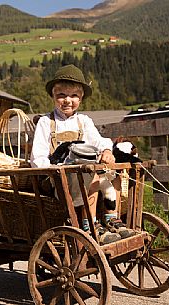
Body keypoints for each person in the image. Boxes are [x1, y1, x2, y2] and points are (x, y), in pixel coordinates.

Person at [30, 64, 134, 244]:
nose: (67, 100)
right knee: (91, 175)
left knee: (113, 174)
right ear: (53, 96)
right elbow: (37, 158)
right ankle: (90, 226)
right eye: (61, 95)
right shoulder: (46, 122)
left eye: (73, 96)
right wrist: (59, 168)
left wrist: (107, 151)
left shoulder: (83, 121)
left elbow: (99, 141)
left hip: (82, 173)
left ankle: (112, 220)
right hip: (58, 178)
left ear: (81, 98)